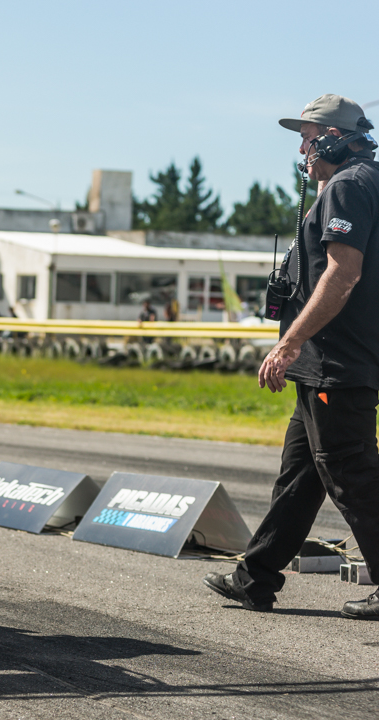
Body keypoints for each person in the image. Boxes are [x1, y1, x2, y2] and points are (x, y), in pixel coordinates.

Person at [203, 94, 379, 619]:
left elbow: (342, 273)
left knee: (352, 475)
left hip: (335, 363)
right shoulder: (358, 182)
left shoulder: (349, 186)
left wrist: (289, 342)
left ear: (334, 139)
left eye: (308, 139)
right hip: (328, 361)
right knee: (300, 477)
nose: (302, 150)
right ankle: (254, 578)